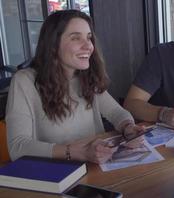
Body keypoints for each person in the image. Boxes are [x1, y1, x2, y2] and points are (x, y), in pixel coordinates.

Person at [6, 10, 145, 164]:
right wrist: (75, 152)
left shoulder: (86, 76)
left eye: (89, 37)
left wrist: (128, 128)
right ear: (53, 45)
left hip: (94, 168)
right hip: (57, 176)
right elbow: (17, 147)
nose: (88, 46)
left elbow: (115, 111)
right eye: (76, 38)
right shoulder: (24, 81)